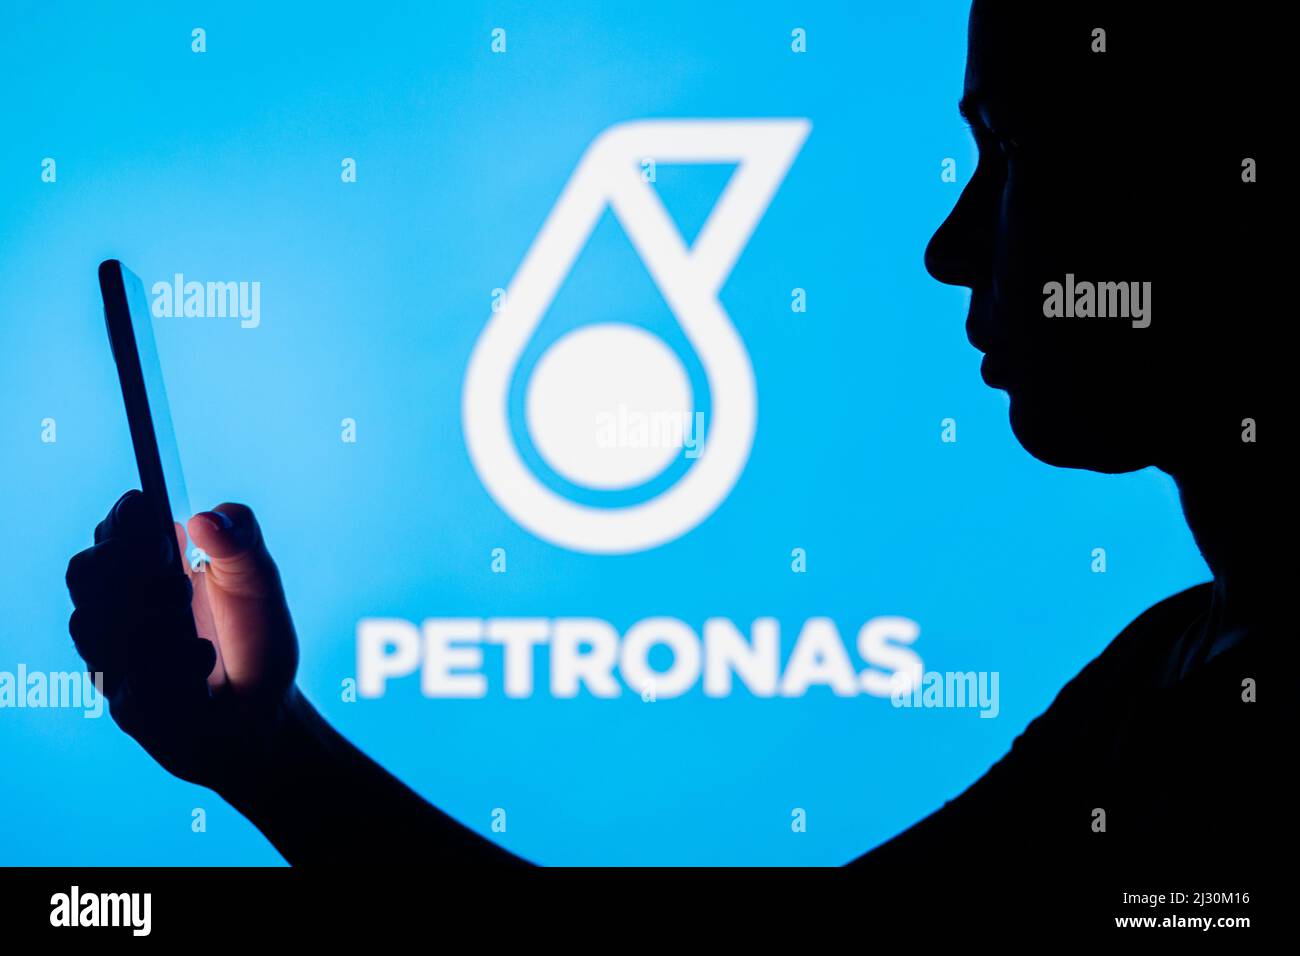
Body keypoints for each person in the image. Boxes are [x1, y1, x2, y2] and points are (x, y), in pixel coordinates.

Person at [65, 0, 1284, 887]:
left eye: (1013, 149)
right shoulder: (1168, 668)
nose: (952, 244)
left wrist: (272, 758)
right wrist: (267, 749)